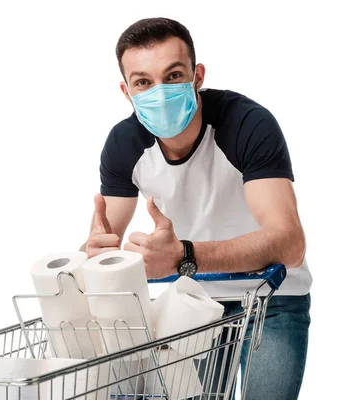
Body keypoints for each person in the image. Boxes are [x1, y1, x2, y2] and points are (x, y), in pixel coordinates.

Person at [79, 17, 312, 399]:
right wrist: (92, 257)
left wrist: (182, 256)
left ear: (197, 75)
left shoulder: (247, 125)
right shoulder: (124, 145)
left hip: (274, 298)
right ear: (126, 91)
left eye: (172, 76)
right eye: (143, 82)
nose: (159, 91)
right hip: (195, 302)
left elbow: (289, 244)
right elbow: (103, 240)